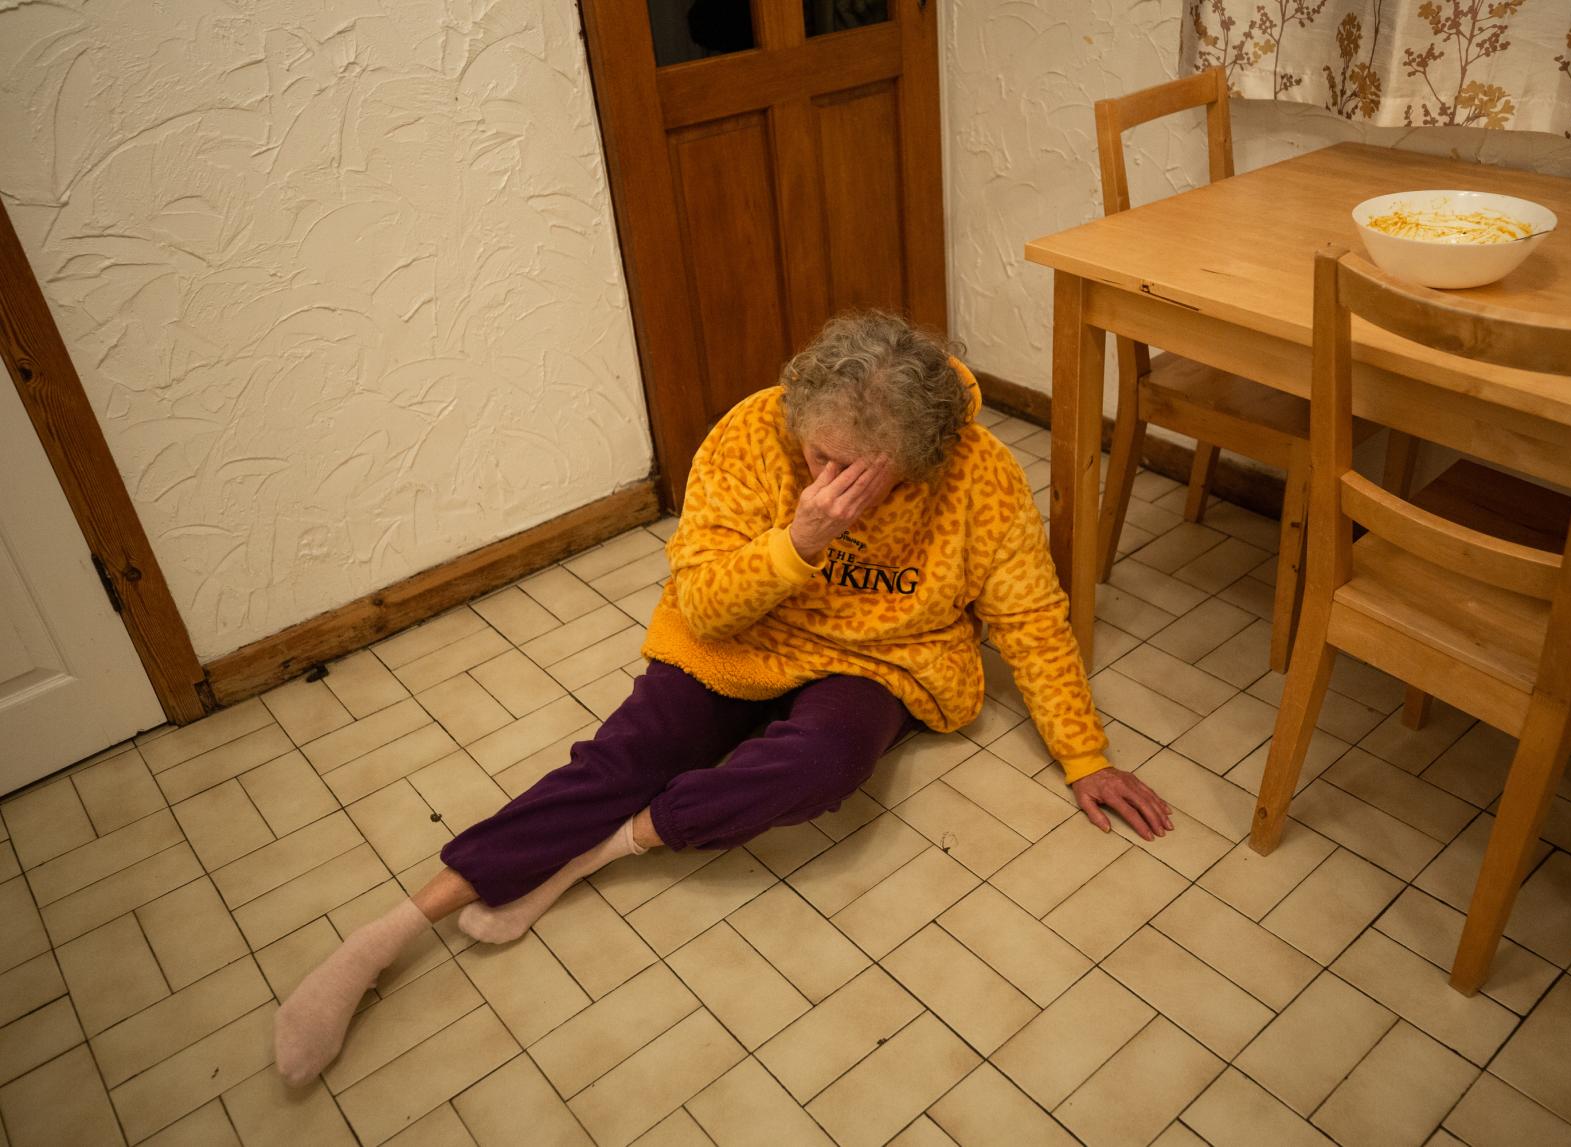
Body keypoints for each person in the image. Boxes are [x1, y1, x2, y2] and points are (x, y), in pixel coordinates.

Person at [273, 311, 1174, 1086]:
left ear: (919, 459)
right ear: (797, 418)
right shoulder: (751, 434)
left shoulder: (979, 473)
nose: (830, 479)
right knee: (625, 754)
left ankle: (588, 855)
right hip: (742, 632)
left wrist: (1085, 755)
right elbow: (704, 601)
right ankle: (386, 935)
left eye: (861, 473)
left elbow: (1030, 614)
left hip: (877, 656)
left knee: (823, 764)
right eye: (819, 456)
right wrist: (801, 538)